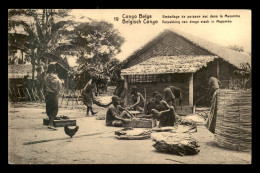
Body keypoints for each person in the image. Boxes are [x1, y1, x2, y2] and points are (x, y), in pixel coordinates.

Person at [43, 63, 62, 130]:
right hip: (53, 94)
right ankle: (50, 124)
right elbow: (59, 85)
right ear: (54, 69)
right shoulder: (55, 77)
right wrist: (58, 91)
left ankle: (51, 120)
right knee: (54, 108)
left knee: (49, 108)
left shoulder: (45, 77)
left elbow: (43, 86)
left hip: (47, 94)